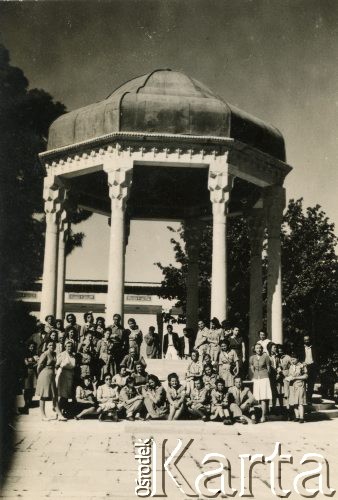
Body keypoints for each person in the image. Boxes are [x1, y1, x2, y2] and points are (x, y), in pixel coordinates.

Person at [35, 341, 64, 421]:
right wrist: (40, 375)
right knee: (44, 395)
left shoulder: (54, 354)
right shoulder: (45, 354)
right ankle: (43, 415)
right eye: (50, 345)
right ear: (47, 346)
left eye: (53, 345)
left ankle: (59, 414)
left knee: (54, 395)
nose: (52, 346)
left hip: (51, 376)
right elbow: (39, 366)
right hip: (45, 375)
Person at [249, 342, 272, 423]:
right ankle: (256, 415)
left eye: (260, 348)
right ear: (254, 349)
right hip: (256, 378)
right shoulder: (252, 358)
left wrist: (264, 374)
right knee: (256, 397)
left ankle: (263, 416)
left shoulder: (266, 357)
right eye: (257, 348)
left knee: (263, 398)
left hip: (264, 378)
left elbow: (269, 368)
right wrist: (255, 373)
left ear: (262, 349)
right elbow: (252, 367)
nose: (259, 349)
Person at [56, 340, 76, 418]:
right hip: (63, 375)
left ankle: (63, 411)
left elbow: (73, 365)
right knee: (63, 395)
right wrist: (62, 365)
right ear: (65, 347)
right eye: (68, 346)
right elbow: (57, 365)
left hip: (70, 376)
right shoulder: (61, 355)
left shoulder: (73, 355)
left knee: (67, 395)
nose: (69, 348)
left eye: (71, 346)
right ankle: (59, 412)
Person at [285, 352, 308, 423]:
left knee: (300, 402)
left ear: (297, 359)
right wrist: (288, 378)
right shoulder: (291, 367)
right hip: (292, 386)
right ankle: (297, 416)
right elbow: (289, 375)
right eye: (291, 360)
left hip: (299, 385)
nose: (292, 361)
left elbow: (306, 376)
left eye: (294, 359)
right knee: (294, 402)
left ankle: (302, 417)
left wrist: (296, 377)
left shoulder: (302, 366)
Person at [299, 335, 318, 405]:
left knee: (311, 384)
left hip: (312, 366)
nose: (307, 341)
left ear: (310, 340)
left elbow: (317, 357)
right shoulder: (300, 348)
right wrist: (302, 363)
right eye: (305, 340)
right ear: (303, 340)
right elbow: (298, 357)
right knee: (303, 383)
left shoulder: (314, 348)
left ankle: (309, 399)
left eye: (308, 340)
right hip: (304, 366)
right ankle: (303, 399)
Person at [21, 342, 39, 414]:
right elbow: (26, 363)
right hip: (27, 372)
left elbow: (38, 362)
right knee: (27, 388)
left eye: (32, 347)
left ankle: (30, 401)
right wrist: (34, 363)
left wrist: (33, 363)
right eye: (30, 347)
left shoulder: (35, 354)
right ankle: (26, 403)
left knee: (32, 388)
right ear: (28, 347)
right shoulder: (25, 354)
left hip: (34, 373)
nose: (31, 348)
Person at [268, 343, 283, 414]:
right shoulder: (267, 356)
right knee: (272, 393)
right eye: (274, 347)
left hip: (277, 377)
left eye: (276, 348)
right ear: (270, 348)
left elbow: (279, 365)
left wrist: (279, 373)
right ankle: (272, 408)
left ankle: (281, 408)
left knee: (279, 393)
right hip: (270, 377)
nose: (275, 349)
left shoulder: (277, 357)